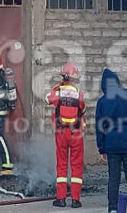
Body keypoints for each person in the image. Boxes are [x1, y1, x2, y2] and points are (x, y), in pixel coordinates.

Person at [96, 69, 127, 213]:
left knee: (113, 179)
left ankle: (112, 209)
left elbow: (100, 128)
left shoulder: (102, 102)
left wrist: (102, 148)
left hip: (112, 145)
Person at [46, 62, 86, 208]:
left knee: (62, 166)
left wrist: (58, 88)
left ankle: (61, 199)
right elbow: (83, 108)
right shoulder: (79, 94)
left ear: (63, 76)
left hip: (61, 133)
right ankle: (76, 200)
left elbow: (47, 99)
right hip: (76, 133)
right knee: (76, 166)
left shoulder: (57, 91)